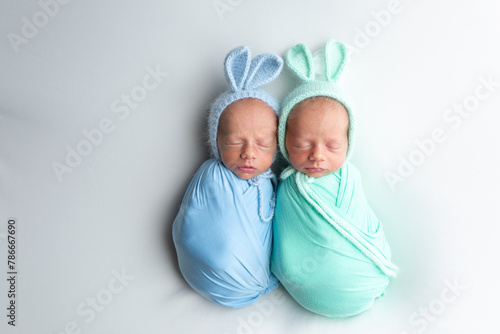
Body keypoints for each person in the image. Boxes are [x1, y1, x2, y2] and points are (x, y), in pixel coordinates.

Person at [271, 40, 398, 317]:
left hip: (370, 275)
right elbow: (285, 239)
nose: (317, 156)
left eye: (332, 146)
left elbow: (363, 216)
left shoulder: (350, 177)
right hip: (309, 292)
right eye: (304, 144)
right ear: (283, 140)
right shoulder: (288, 188)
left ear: (348, 143)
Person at [172, 45, 283, 307]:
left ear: (277, 146)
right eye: (235, 143)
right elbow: (191, 229)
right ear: (216, 141)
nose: (248, 154)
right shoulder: (212, 177)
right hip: (208, 275)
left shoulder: (271, 183)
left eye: (263, 144)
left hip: (256, 281)